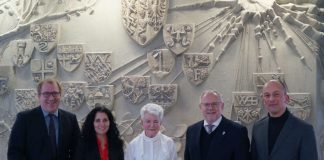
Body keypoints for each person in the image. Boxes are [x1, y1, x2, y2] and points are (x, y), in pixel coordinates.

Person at [7, 78, 80, 160]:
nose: (51, 98)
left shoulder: (71, 119)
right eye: (46, 94)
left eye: (55, 93)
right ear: (39, 96)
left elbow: (78, 151)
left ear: (60, 95)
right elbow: (14, 153)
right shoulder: (24, 119)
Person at [251, 79, 318, 160]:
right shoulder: (257, 127)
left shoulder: (305, 130)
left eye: (276, 94)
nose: (271, 99)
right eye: (267, 95)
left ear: (286, 98)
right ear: (263, 100)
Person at [184, 90, 250, 160]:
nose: (210, 108)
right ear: (200, 107)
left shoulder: (238, 132)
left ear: (222, 106)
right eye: (206, 104)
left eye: (214, 104)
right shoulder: (191, 131)